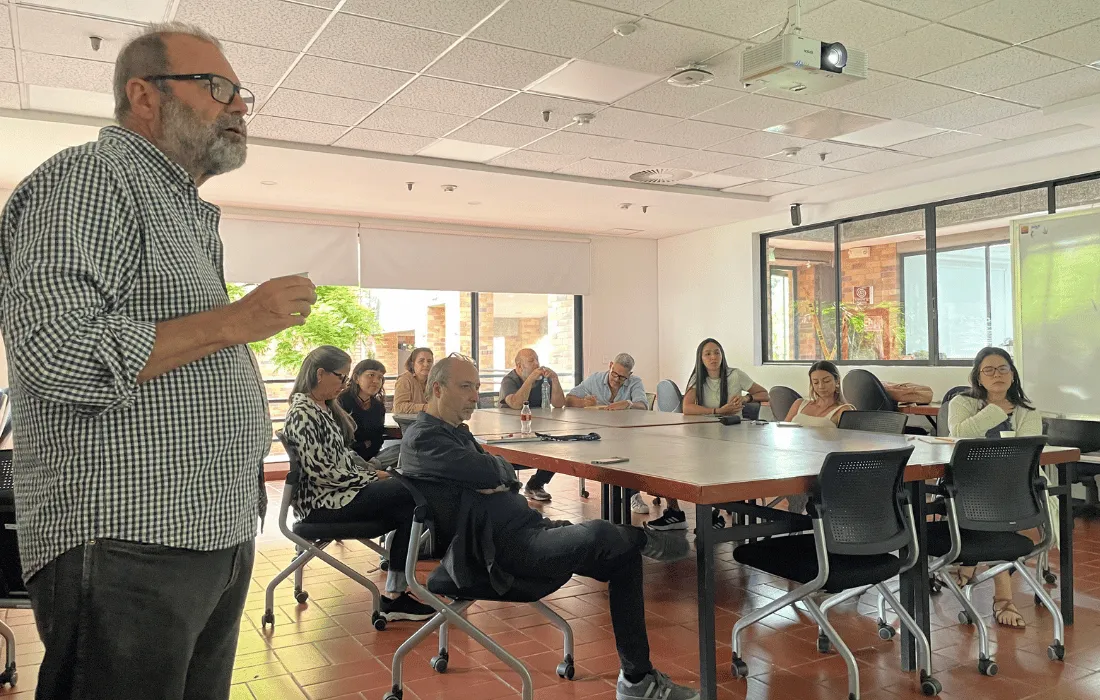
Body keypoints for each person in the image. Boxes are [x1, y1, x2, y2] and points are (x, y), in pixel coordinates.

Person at [0, 23, 319, 700]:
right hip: (128, 541)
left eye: (240, 94)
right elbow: (56, 351)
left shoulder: (181, 210)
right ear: (144, 97)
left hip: (205, 535)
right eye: (217, 87)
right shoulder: (91, 178)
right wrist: (236, 322)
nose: (237, 106)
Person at [400, 355, 699, 700]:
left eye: (477, 388)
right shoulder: (424, 439)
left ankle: (637, 680)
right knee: (602, 532)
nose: (474, 396)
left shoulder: (454, 434)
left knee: (622, 555)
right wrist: (495, 474)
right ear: (437, 389)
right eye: (465, 387)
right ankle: (645, 537)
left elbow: (501, 474)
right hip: (499, 555)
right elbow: (498, 472)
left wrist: (494, 474)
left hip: (524, 531)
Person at [282, 347, 435, 622]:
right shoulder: (303, 412)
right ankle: (400, 591)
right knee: (410, 491)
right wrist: (372, 477)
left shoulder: (322, 407)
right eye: (341, 377)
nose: (344, 384)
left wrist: (372, 473)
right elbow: (323, 472)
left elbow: (340, 459)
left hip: (339, 493)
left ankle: (395, 594)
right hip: (324, 502)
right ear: (320, 374)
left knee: (410, 504)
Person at [948, 346, 1042, 629]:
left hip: (1014, 486)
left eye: (1003, 369)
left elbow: (1028, 454)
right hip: (969, 484)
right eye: (988, 370)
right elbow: (960, 435)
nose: (996, 374)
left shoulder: (1027, 411)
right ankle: (1003, 598)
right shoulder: (962, 403)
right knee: (988, 503)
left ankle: (969, 566)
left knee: (996, 502)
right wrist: (995, 411)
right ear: (978, 377)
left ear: (1012, 376)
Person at [644, 339, 769, 530]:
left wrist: (746, 398)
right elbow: (687, 408)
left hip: (731, 436)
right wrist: (718, 411)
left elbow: (764, 393)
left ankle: (715, 516)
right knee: (670, 461)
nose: (713, 357)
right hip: (701, 433)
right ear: (701, 358)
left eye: (717, 352)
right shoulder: (697, 379)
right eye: (708, 354)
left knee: (715, 468)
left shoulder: (735, 375)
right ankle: (674, 512)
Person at [499, 348, 566, 502]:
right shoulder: (509, 380)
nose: (536, 364)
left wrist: (554, 379)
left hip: (538, 428)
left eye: (537, 359)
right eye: (531, 361)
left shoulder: (543, 380)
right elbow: (516, 404)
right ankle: (507, 488)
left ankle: (536, 484)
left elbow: (558, 404)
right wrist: (530, 379)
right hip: (511, 432)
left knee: (556, 448)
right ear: (519, 366)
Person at [338, 358, 389, 462]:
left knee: (399, 450)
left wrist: (369, 446)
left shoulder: (378, 407)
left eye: (380, 377)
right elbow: (341, 440)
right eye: (371, 375)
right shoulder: (341, 401)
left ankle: (370, 467)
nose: (376, 381)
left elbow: (378, 438)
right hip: (346, 455)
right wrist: (364, 445)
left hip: (372, 456)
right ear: (356, 378)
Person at [566, 353, 648, 410]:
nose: (616, 379)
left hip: (627, 426)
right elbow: (568, 399)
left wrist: (629, 404)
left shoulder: (635, 382)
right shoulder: (595, 379)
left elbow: (643, 406)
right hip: (598, 426)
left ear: (629, 374)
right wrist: (584, 403)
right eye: (614, 374)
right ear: (610, 365)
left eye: (622, 377)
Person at [784, 360, 853, 427]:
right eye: (816, 382)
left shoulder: (844, 410)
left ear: (837, 381)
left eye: (826, 381)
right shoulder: (799, 404)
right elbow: (783, 431)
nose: (821, 386)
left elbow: (851, 437)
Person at [393, 347, 434, 414]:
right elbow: (399, 407)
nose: (426, 364)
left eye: (429, 361)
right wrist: (425, 407)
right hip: (406, 422)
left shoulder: (434, 380)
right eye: (421, 361)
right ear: (412, 364)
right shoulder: (404, 380)